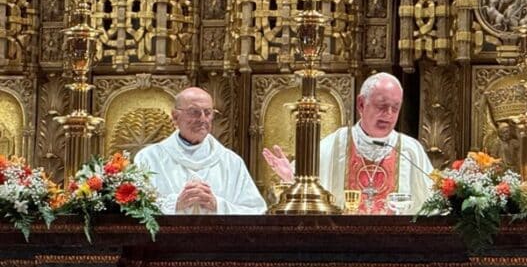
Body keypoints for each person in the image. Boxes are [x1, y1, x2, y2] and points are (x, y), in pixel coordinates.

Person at [262, 73, 434, 214]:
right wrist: (291, 177)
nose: (388, 114)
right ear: (361, 104)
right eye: (382, 106)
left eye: (395, 108)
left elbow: (434, 206)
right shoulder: (336, 144)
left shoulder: (410, 151)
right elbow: (307, 193)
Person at [135, 87, 267, 215]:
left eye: (208, 112)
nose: (203, 119)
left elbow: (255, 211)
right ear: (175, 117)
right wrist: (175, 204)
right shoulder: (149, 158)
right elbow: (134, 209)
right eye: (194, 112)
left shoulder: (231, 162)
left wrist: (218, 205)